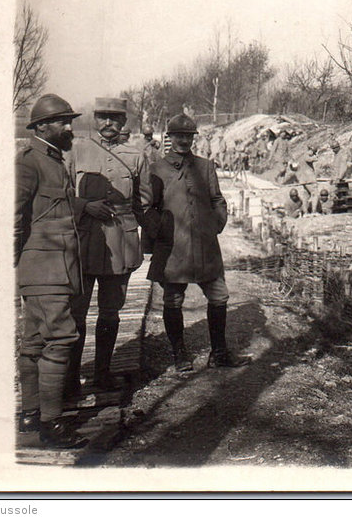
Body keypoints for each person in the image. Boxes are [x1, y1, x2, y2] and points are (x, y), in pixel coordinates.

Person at [145, 114, 251, 372]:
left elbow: (217, 199)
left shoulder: (205, 166)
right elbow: (148, 208)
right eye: (178, 136)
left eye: (188, 136)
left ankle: (219, 353)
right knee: (173, 299)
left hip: (205, 247)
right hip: (174, 247)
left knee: (219, 296)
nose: (183, 140)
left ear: (193, 138)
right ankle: (179, 355)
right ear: (169, 138)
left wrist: (216, 223)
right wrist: (158, 238)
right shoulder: (156, 168)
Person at [15, 94, 88, 448]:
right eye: (62, 121)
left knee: (34, 342)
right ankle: (52, 425)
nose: (69, 127)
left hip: (51, 268)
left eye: (70, 120)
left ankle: (31, 414)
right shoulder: (29, 163)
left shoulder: (54, 161)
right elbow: (13, 219)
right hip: (44, 268)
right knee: (59, 340)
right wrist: (16, 263)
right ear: (42, 126)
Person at [65, 97, 152, 393]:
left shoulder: (136, 156)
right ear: (94, 119)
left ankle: (102, 372)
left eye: (115, 119)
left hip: (120, 241)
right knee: (77, 312)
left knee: (110, 312)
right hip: (85, 240)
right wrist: (85, 206)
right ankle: (70, 379)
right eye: (103, 117)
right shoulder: (76, 151)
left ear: (124, 122)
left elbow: (145, 202)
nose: (108, 124)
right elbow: (62, 195)